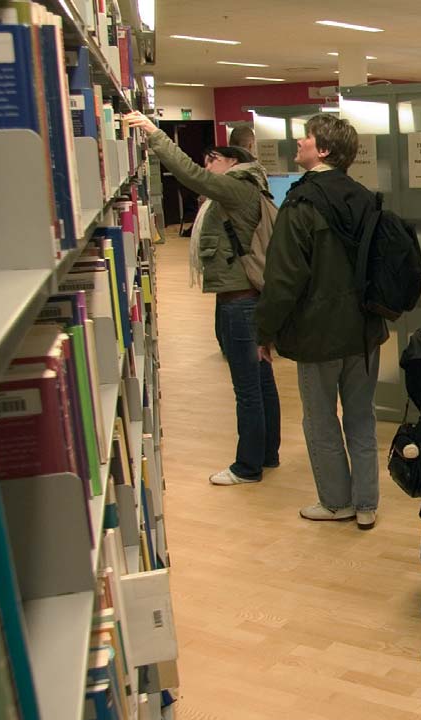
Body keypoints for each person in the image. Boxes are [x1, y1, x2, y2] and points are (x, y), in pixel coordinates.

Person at [123, 112, 281, 486]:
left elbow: (192, 175)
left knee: (248, 387)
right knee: (260, 379)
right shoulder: (246, 189)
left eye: (215, 159)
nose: (209, 165)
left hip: (239, 302)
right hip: (244, 298)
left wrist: (156, 135)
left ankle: (248, 467)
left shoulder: (238, 187)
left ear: (235, 163)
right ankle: (266, 452)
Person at [255, 114, 386, 530]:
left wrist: (265, 330)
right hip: (365, 331)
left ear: (323, 150)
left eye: (306, 137)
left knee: (320, 419)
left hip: (318, 334)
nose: (299, 140)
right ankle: (366, 504)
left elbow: (283, 277)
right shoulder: (366, 198)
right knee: (361, 416)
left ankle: (335, 502)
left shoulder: (300, 203)